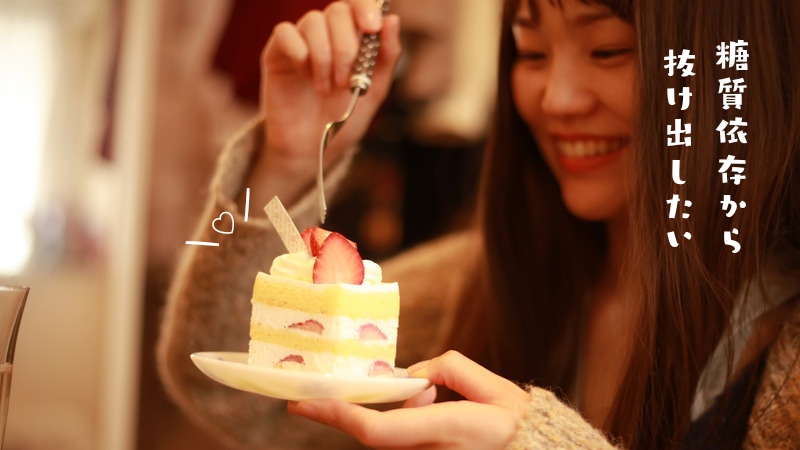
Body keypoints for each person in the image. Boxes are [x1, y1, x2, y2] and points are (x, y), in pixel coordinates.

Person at [157, 0, 800, 449]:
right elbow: (232, 397)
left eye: (608, 50)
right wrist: (286, 161)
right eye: (531, 51)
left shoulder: (783, 362)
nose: (556, 99)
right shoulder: (477, 278)